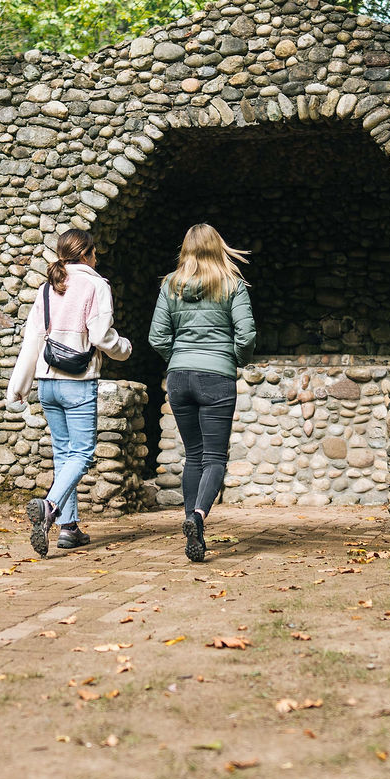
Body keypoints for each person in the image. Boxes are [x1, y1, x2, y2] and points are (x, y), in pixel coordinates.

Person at [7, 228, 131, 557]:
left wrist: (19, 385)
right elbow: (102, 336)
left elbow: (32, 338)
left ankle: (69, 529)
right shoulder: (96, 284)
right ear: (88, 254)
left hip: (47, 382)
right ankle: (49, 507)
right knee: (83, 454)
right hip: (78, 381)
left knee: (64, 455)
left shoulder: (48, 287)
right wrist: (125, 349)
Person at [149, 224, 257, 563]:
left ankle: (189, 521)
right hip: (217, 378)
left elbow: (157, 337)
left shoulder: (170, 285)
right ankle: (197, 517)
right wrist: (232, 359)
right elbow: (247, 335)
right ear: (218, 247)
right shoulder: (232, 286)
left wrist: (178, 359)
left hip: (179, 378)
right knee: (215, 458)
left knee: (193, 455)